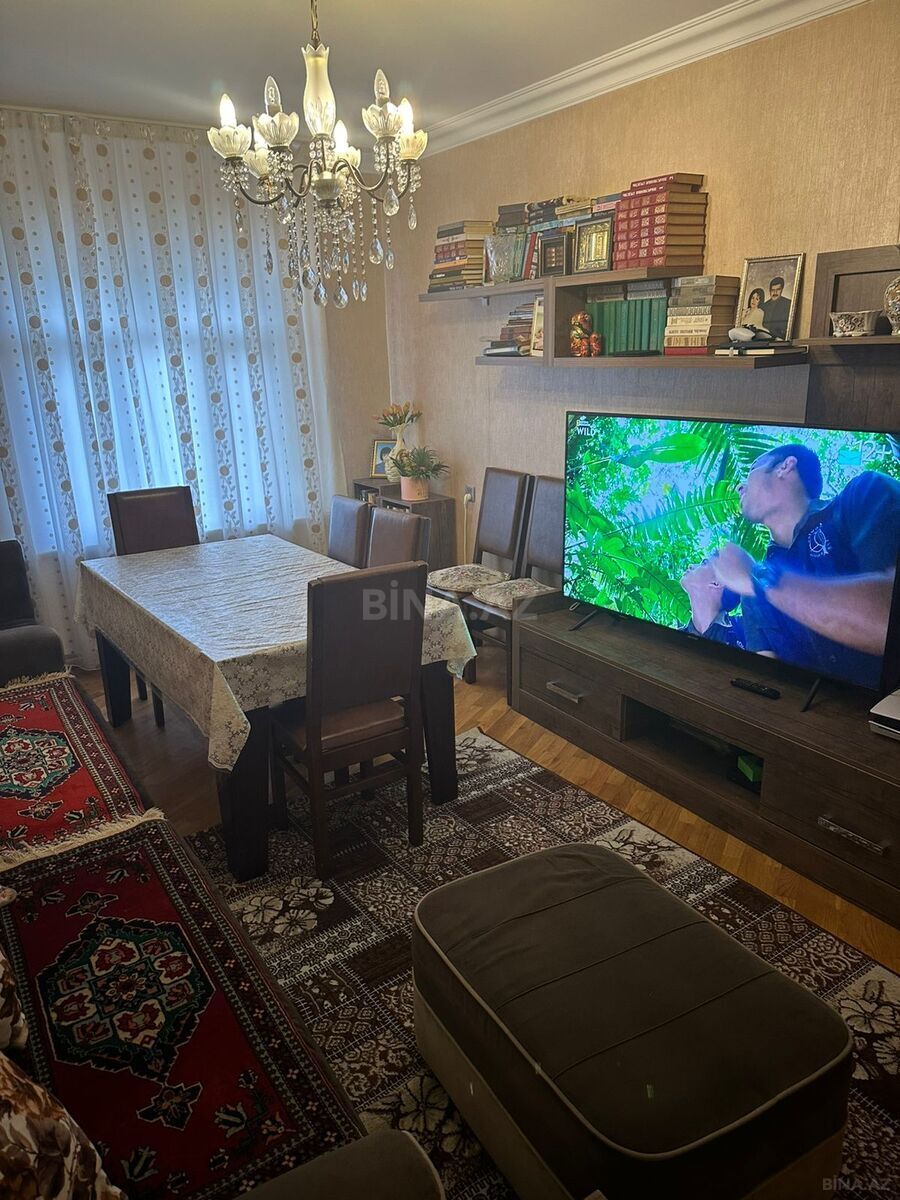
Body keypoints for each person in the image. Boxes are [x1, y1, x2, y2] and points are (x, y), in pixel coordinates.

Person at [712, 443, 900, 689]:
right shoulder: (753, 589)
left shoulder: (863, 496)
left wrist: (766, 583)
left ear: (786, 466)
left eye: (752, 469)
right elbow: (768, 681)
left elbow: (888, 621)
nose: (740, 486)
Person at [680, 559, 746, 649]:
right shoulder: (674, 638)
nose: (690, 565)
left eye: (704, 563)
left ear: (717, 582)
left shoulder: (745, 631)